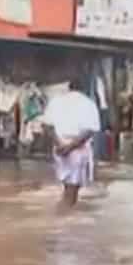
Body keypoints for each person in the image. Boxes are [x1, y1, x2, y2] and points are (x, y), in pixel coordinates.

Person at [42, 78, 102, 206]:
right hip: (78, 148)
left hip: (59, 147)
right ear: (85, 89)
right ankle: (65, 217)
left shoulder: (56, 101)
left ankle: (65, 215)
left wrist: (59, 144)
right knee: (73, 189)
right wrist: (70, 147)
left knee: (67, 186)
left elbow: (47, 126)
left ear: (69, 87)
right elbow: (91, 130)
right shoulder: (88, 103)